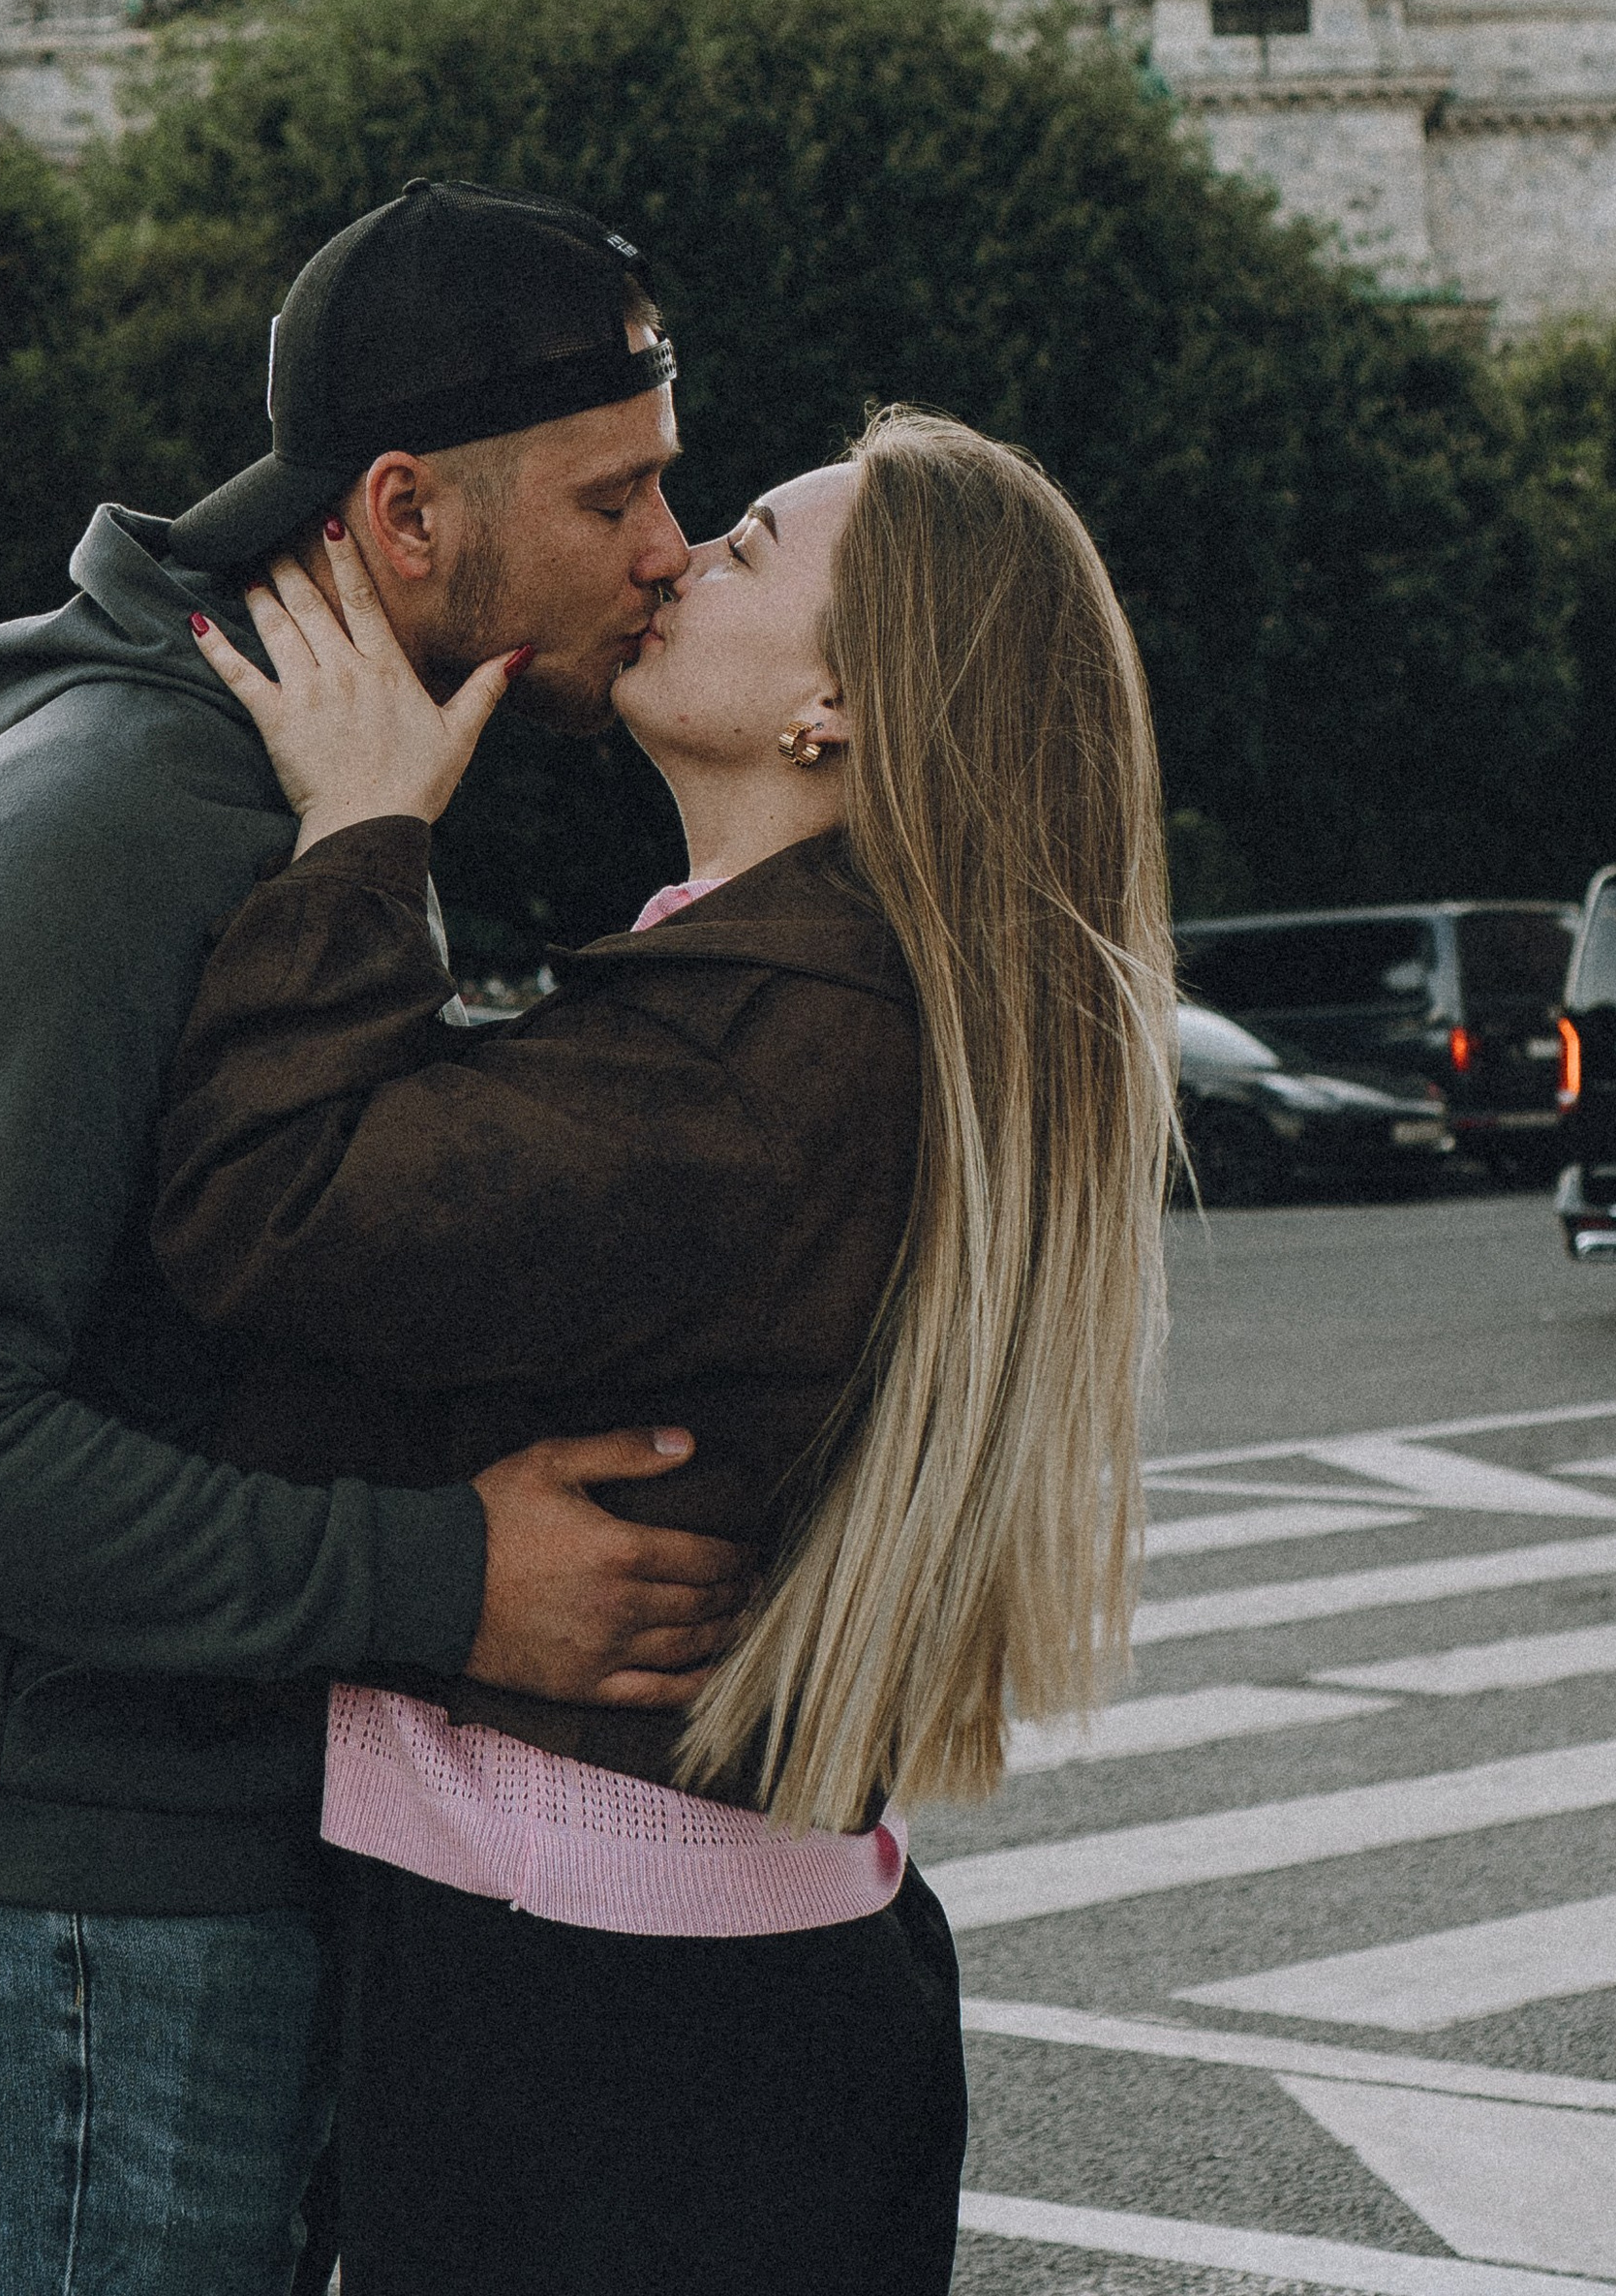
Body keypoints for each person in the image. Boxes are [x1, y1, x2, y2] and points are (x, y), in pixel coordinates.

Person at [0, 178, 745, 2296]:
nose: (670, 552)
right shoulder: (118, 818)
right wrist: (449, 1580)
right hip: (75, 1902)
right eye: (615, 497)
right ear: (405, 513)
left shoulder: (314, 784)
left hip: (207, 1859)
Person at [163, 407, 1181, 2296]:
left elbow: (268, 1215)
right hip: (708, 1978)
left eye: (745, 549)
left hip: (590, 2017)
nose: (670, 554)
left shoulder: (748, 1061)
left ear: (835, 706)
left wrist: (363, 832)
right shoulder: (806, 1005)